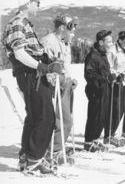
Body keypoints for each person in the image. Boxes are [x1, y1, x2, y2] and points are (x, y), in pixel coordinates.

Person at [2, 0, 63, 174]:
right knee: (45, 117)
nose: (39, 6)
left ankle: (26, 157)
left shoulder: (25, 23)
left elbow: (31, 51)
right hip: (31, 75)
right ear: (27, 3)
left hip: (34, 73)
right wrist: (42, 67)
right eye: (37, 3)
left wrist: (50, 61)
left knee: (34, 117)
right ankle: (34, 160)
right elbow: (20, 54)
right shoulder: (18, 24)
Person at [40, 13, 78, 165]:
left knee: (65, 120)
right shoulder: (49, 41)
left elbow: (63, 66)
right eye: (71, 27)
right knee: (63, 120)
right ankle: (54, 150)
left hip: (64, 85)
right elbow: (45, 68)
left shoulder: (63, 42)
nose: (73, 30)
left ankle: (58, 147)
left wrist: (69, 79)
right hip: (53, 87)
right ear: (62, 27)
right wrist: (59, 79)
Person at [83, 30, 115, 152]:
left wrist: (113, 78)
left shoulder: (103, 55)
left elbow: (105, 72)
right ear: (101, 42)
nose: (111, 43)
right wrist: (105, 78)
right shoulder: (93, 55)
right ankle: (88, 142)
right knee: (94, 116)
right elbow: (89, 75)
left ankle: (96, 139)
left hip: (104, 89)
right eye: (109, 41)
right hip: (95, 90)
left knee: (102, 115)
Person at [105, 31, 125, 147]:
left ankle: (112, 133)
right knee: (114, 109)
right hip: (112, 83)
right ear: (120, 40)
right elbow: (108, 66)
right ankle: (108, 135)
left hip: (121, 83)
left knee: (121, 109)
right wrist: (116, 75)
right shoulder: (113, 50)